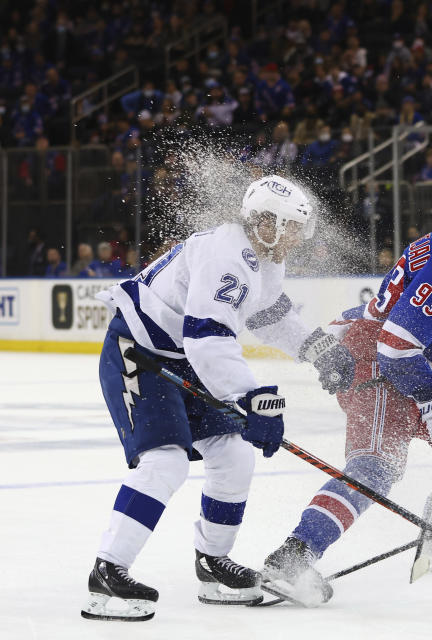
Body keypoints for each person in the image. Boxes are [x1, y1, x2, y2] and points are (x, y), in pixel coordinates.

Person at [81, 175, 352, 621]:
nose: (297, 239)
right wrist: (251, 398)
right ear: (267, 222)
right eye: (292, 228)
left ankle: (212, 563)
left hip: (183, 358)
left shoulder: (264, 257)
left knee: (233, 456)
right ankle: (108, 570)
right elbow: (207, 337)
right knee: (165, 461)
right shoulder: (227, 254)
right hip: (142, 354)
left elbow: (267, 315)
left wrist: (315, 348)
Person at [261, 194, 432, 604]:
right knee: (375, 467)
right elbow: (396, 347)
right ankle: (292, 558)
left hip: (398, 364)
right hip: (377, 370)